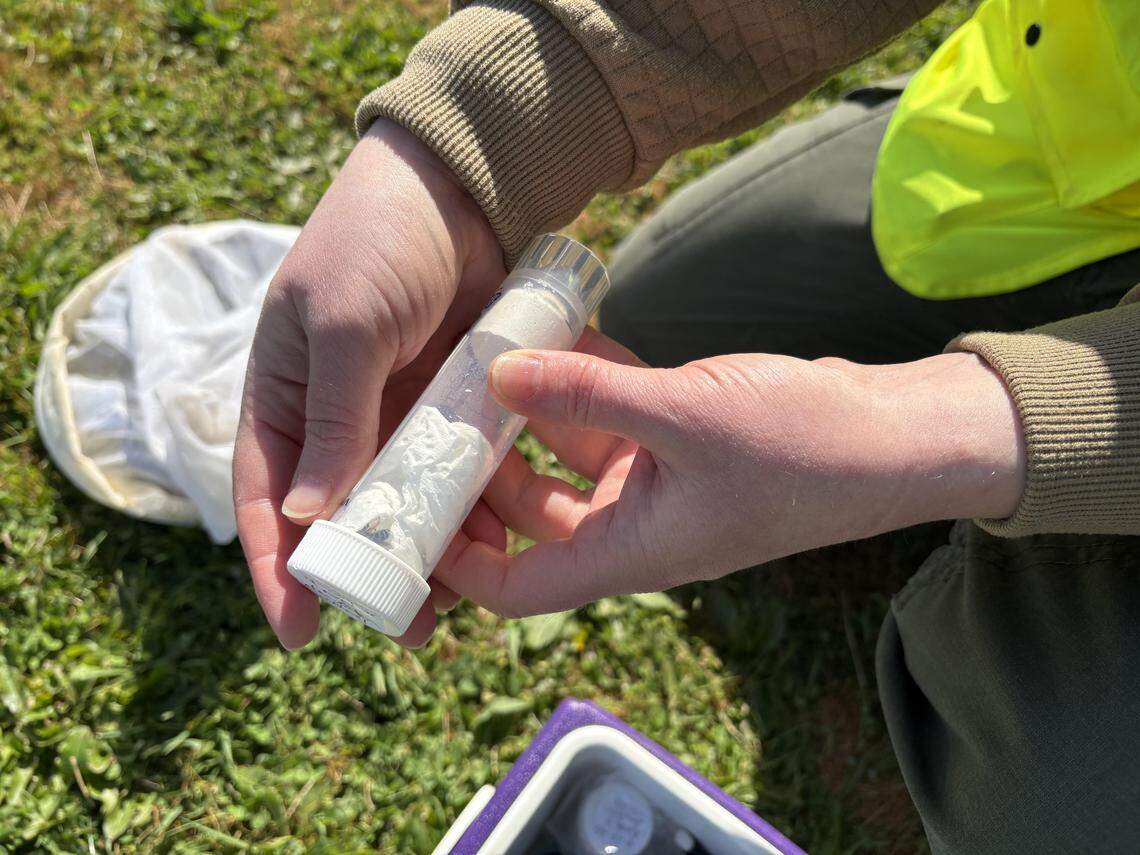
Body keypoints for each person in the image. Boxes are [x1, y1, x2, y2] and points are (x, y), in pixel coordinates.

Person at [232, 0, 1140, 849]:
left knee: (1053, 795)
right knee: (662, 321)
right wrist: (456, 153)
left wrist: (922, 438)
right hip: (1059, 152)